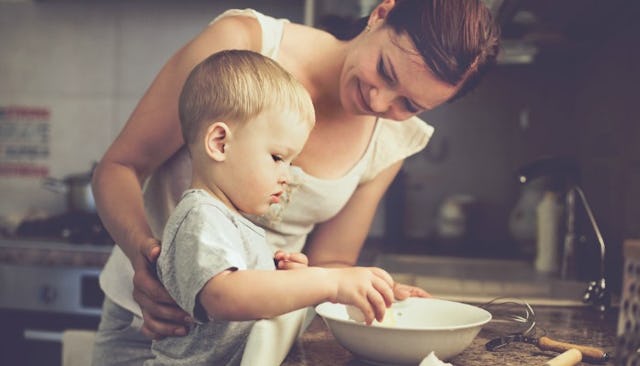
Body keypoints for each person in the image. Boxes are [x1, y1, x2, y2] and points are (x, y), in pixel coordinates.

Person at [91, 0, 500, 364]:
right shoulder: (244, 45)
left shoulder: (392, 139)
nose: (378, 103)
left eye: (408, 104)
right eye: (385, 70)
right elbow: (119, 167)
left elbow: (330, 264)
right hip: (151, 326)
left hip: (245, 345)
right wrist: (142, 259)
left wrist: (361, 289)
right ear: (381, 14)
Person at [141, 49, 395, 365]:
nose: (286, 176)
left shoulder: (231, 222)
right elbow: (223, 296)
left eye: (289, 162)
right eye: (277, 157)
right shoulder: (199, 216)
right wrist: (324, 282)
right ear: (220, 143)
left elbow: (248, 301)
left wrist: (287, 279)